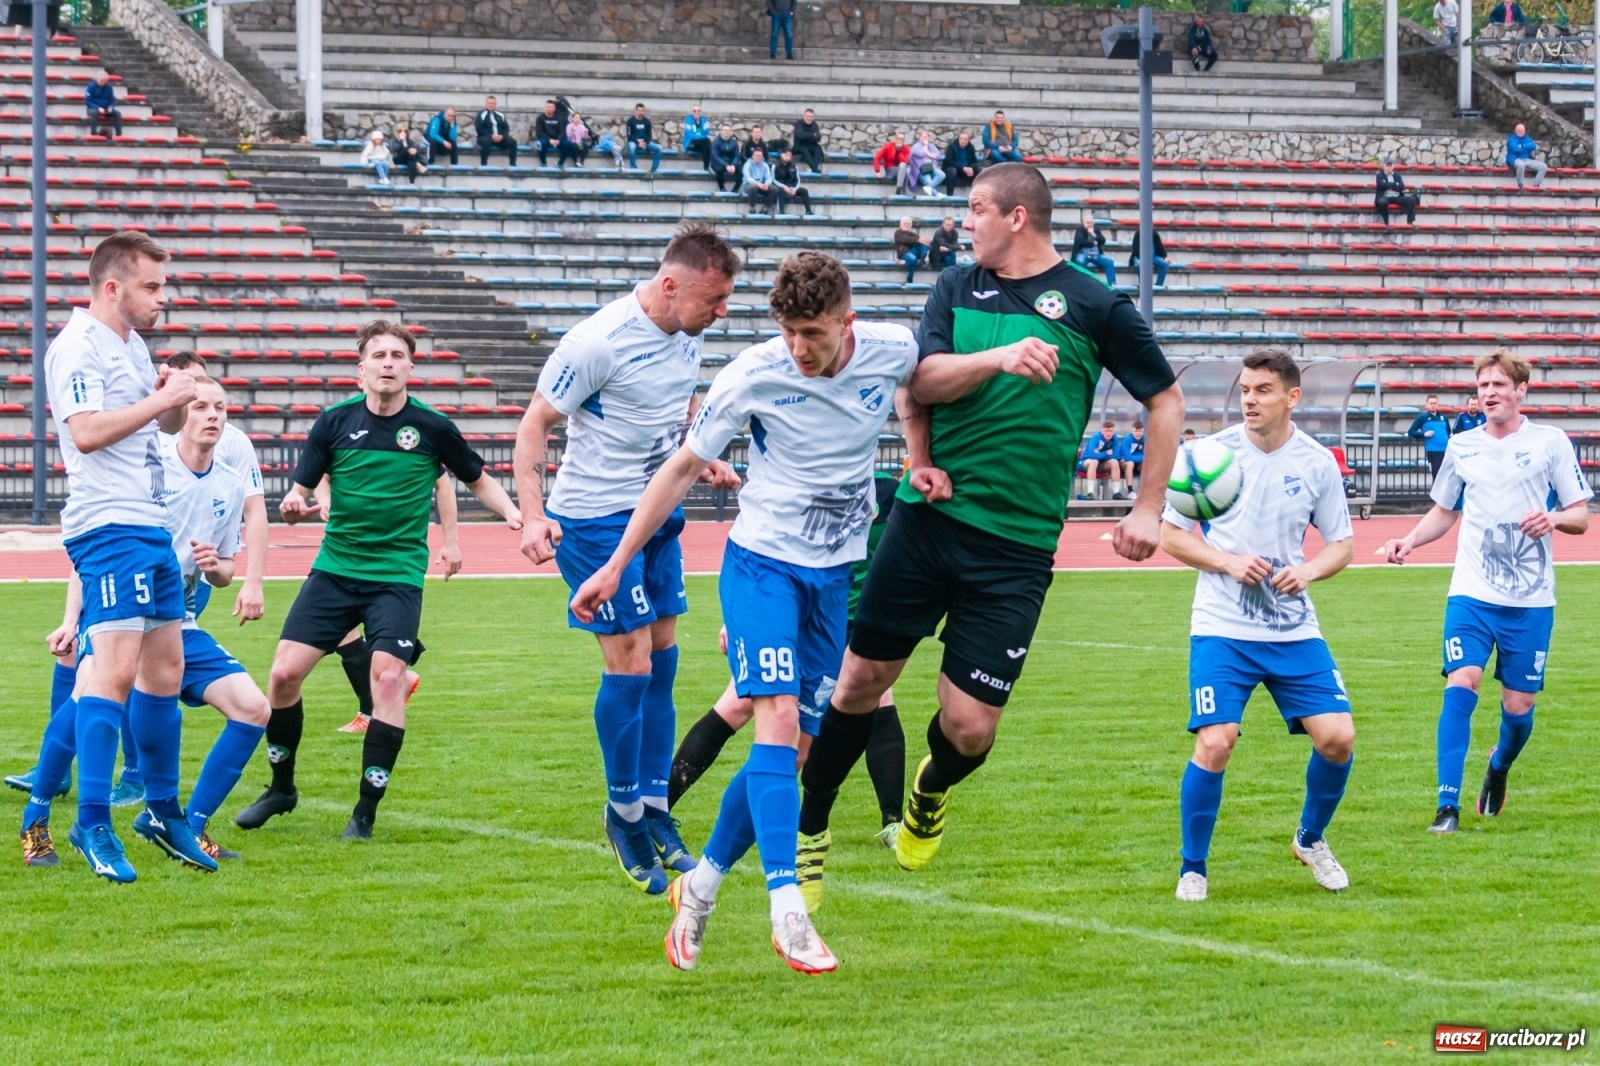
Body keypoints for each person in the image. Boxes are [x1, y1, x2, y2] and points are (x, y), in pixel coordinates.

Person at [793, 163, 1183, 890]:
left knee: (971, 729)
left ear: (1017, 218)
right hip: (930, 521)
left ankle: (929, 792)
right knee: (857, 683)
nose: (962, 220)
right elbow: (922, 379)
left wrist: (1146, 508)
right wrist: (999, 358)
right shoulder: (953, 288)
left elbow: (1165, 401)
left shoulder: (1096, 306)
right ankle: (809, 828)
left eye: (974, 208)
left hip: (1018, 546)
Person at [571, 252, 919, 974]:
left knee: (792, 752)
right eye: (789, 331)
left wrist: (921, 454)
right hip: (760, 566)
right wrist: (614, 563)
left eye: (814, 334)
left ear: (846, 323)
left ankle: (698, 891)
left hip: (832, 578)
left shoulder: (892, 348)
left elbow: (922, 385)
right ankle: (787, 909)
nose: (799, 348)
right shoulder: (751, 373)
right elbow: (679, 469)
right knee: (777, 720)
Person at [511, 223, 741, 895]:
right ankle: (623, 814)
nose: (721, 312)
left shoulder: (688, 334)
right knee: (632, 660)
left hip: (656, 513)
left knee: (665, 654)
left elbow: (675, 410)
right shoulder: (595, 342)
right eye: (714, 298)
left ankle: (657, 809)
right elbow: (534, 426)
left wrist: (703, 457)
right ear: (671, 285)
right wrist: (531, 515)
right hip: (593, 520)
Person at [235, 320, 521, 841]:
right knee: (281, 677)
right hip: (335, 571)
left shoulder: (432, 427)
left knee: (387, 679)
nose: (387, 362)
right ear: (361, 367)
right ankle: (282, 788)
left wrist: (513, 514)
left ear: (411, 367)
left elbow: (477, 479)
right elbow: (299, 495)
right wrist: (295, 507)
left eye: (397, 355)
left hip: (396, 577)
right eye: (378, 355)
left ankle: (364, 812)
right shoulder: (333, 423)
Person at [21, 378, 265, 872]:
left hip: (178, 621)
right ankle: (38, 817)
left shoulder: (229, 484)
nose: (213, 415)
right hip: (116, 610)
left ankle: (185, 823)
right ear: (180, 414)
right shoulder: (149, 470)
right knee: (89, 692)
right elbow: (100, 542)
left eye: (221, 407)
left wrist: (216, 565)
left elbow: (223, 573)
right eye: (201, 406)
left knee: (253, 708)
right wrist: (72, 619)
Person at [1162, 349, 1357, 902]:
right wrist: (1227, 561)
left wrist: (1309, 570)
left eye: (1263, 390)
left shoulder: (1317, 462)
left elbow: (1341, 544)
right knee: (1216, 742)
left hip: (1293, 629)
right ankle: (1192, 868)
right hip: (1222, 626)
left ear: (1292, 397)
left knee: (1338, 739)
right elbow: (1172, 534)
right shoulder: (1207, 456)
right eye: (1245, 389)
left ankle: (1310, 840)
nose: (1250, 399)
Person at [35, 231, 200, 883]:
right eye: (153, 286)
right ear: (113, 287)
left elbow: (149, 431)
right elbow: (87, 432)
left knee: (167, 668)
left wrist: (166, 401)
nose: (165, 298)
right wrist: (160, 400)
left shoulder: (131, 346)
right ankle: (92, 820)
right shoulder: (78, 346)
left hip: (149, 524)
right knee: (115, 671)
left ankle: (161, 810)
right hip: (109, 525)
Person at [1383, 349, 1591, 835]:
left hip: (1531, 600)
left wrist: (1554, 517)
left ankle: (1498, 768)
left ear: (1522, 390)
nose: (1490, 393)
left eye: (1499, 385)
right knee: (1462, 682)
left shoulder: (1551, 442)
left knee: (1518, 710)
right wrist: (1409, 540)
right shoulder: (1462, 446)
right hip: (1472, 593)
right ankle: (1447, 806)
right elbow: (1444, 510)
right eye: (1483, 386)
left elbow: (1580, 513)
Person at [671, 470, 910, 889]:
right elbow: (757, 551)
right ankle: (657, 810)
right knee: (740, 709)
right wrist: (740, 621)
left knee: (870, 706)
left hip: (849, 625)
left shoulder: (891, 496)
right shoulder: (799, 489)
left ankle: (893, 822)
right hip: (793, 619)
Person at [1408, 394, 1453, 481]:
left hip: (1446, 451)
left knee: (1446, 477)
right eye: (1431, 403)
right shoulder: (1422, 417)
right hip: (1433, 452)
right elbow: (1411, 432)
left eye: (1435, 403)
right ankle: (1435, 495)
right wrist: (1424, 434)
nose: (1433, 405)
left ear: (1438, 404)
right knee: (1437, 477)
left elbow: (1448, 432)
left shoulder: (1444, 417)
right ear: (1427, 405)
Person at [1077, 420, 1121, 500]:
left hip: (1100, 463)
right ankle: (1090, 493)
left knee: (1114, 462)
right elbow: (1092, 456)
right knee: (1094, 461)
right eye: (1106, 431)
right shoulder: (1096, 437)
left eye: (1110, 431)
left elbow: (1116, 455)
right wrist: (1107, 452)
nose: (1108, 433)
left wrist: (1100, 455)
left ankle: (1116, 493)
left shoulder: (1114, 438)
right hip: (1085, 462)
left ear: (1113, 431)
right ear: (1102, 430)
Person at [1072, 216, 1116, 286]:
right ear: (1083, 223)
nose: (1089, 224)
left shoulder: (1096, 229)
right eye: (1087, 223)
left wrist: (1093, 234)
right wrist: (1092, 244)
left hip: (1096, 255)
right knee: (1080, 261)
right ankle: (1085, 283)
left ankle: (1112, 283)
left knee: (1109, 262)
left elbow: (1103, 241)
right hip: (1083, 253)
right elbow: (1080, 241)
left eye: (1091, 223)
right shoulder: (1080, 229)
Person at [1374, 157, 1418, 225]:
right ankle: (1386, 222)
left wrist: (1389, 185)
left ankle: (1410, 222)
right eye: (1387, 165)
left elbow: (1402, 186)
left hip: (1397, 196)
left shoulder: (1397, 175)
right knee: (1382, 202)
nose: (1389, 167)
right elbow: (1382, 184)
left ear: (1393, 166)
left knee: (1412, 200)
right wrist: (1394, 184)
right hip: (1384, 196)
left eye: (1390, 165)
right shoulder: (1379, 175)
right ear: (1384, 166)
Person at [474, 96, 517, 166]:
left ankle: (513, 165)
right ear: (486, 104)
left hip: (499, 139)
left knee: (513, 142)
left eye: (493, 103)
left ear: (496, 104)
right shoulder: (481, 114)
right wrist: (491, 136)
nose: (492, 105)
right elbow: (479, 129)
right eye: (490, 103)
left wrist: (502, 136)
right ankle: (483, 164)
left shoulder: (500, 115)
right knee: (486, 142)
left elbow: (506, 128)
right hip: (485, 138)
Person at [772, 148, 813, 215]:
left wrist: (794, 189)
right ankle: (781, 210)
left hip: (791, 187)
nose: (788, 157)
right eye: (786, 155)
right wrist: (784, 187)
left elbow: (798, 179)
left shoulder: (793, 166)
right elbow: (773, 180)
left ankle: (808, 211)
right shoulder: (775, 165)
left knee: (804, 191)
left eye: (789, 156)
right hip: (780, 186)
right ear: (781, 155)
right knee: (780, 191)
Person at [626, 103, 663, 173]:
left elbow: (649, 135)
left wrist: (644, 142)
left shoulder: (647, 121)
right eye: (639, 110)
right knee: (631, 146)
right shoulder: (630, 121)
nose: (640, 112)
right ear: (636, 111)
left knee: (659, 148)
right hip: (634, 142)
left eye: (642, 110)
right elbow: (629, 135)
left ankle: (654, 169)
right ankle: (634, 168)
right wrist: (638, 143)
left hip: (645, 143)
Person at [1506, 123, 1546, 188]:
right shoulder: (1511, 139)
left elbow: (1533, 146)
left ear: (1524, 131)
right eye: (1518, 130)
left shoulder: (1527, 138)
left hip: (1527, 159)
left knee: (1543, 166)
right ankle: (1520, 183)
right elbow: (1515, 149)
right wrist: (1527, 147)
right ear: (1515, 131)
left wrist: (1522, 146)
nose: (1520, 132)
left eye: (1522, 130)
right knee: (1521, 165)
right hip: (1515, 159)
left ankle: (1536, 184)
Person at [942, 131, 980, 197]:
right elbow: (949, 161)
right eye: (961, 138)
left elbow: (974, 161)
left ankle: (978, 195)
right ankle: (950, 195)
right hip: (954, 170)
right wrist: (963, 168)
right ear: (958, 139)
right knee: (952, 171)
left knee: (979, 170)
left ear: (968, 140)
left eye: (965, 139)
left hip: (966, 171)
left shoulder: (971, 147)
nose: (963, 141)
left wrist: (970, 168)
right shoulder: (952, 147)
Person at [85, 70, 122, 138]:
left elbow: (112, 100)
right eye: (102, 81)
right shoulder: (91, 86)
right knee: (94, 113)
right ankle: (94, 133)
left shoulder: (109, 87)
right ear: (97, 79)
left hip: (106, 108)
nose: (103, 83)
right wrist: (97, 108)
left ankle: (119, 134)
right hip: (93, 108)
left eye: (105, 81)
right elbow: (88, 101)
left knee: (117, 113)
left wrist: (111, 107)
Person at [909, 129, 945, 197]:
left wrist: (929, 154)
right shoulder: (915, 146)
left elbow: (937, 156)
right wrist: (927, 149)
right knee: (928, 180)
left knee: (942, 175)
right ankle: (936, 194)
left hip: (932, 167)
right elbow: (922, 153)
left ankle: (929, 187)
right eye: (923, 137)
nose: (925, 139)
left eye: (926, 137)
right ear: (920, 137)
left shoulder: (931, 146)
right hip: (921, 170)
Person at [742, 148, 778, 213]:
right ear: (752, 156)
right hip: (749, 185)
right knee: (753, 187)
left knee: (775, 189)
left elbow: (769, 177)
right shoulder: (747, 165)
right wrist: (758, 184)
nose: (758, 157)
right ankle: (752, 208)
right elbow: (748, 178)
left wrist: (767, 184)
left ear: (762, 156)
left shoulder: (765, 165)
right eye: (756, 155)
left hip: (762, 184)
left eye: (760, 156)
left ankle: (765, 208)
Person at [893, 216, 927, 283]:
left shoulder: (913, 234)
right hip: (903, 253)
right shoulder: (897, 232)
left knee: (924, 242)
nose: (907, 225)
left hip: (913, 252)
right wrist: (918, 240)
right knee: (913, 259)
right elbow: (905, 239)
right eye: (905, 223)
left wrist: (925, 240)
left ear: (911, 225)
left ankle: (923, 257)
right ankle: (910, 276)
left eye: (908, 224)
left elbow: (919, 241)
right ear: (901, 224)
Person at [710, 123, 743, 192]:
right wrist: (726, 165)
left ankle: (735, 189)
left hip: (731, 163)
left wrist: (733, 165)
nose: (727, 132)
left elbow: (737, 155)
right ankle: (722, 188)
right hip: (719, 163)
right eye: (725, 130)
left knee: (742, 171)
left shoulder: (734, 142)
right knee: (719, 170)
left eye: (728, 130)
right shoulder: (715, 142)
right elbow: (715, 156)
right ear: (721, 131)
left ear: (731, 132)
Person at [534, 99, 566, 168]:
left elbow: (562, 131)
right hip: (545, 139)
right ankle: (543, 162)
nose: (550, 109)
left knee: (568, 144)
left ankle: (560, 163)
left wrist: (558, 140)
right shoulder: (540, 118)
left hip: (556, 140)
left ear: (554, 108)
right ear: (545, 108)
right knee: (541, 144)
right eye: (549, 107)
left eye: (552, 107)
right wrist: (549, 140)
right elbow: (539, 132)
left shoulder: (558, 118)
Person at [1117, 419, 1146, 494]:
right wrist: (1142, 457)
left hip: (1137, 463)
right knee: (1130, 463)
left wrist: (1143, 458)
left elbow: (1148, 456)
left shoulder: (1145, 439)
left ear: (1143, 431)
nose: (1138, 433)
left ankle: (1146, 491)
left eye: (1140, 431)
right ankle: (1130, 491)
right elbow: (1128, 457)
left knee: (1146, 464)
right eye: (1136, 431)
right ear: (1132, 431)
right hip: (1123, 464)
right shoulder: (1127, 439)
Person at [792, 108, 823, 172]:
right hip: (799, 146)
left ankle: (815, 168)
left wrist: (807, 135)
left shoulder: (815, 125)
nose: (809, 118)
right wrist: (812, 135)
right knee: (804, 150)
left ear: (813, 117)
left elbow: (818, 138)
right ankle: (814, 169)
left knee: (818, 150)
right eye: (807, 116)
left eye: (811, 117)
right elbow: (800, 135)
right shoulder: (799, 123)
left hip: (811, 145)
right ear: (804, 116)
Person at [683, 105, 713, 169]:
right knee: (707, 141)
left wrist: (705, 137)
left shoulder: (704, 119)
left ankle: (706, 168)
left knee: (706, 146)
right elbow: (691, 135)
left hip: (701, 143)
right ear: (692, 112)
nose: (697, 112)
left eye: (698, 111)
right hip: (690, 144)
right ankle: (710, 165)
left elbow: (707, 132)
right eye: (694, 111)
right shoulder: (688, 120)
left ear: (701, 112)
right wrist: (704, 137)